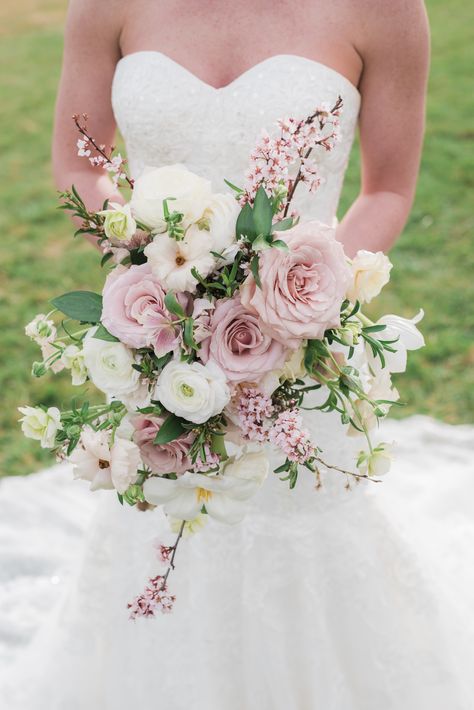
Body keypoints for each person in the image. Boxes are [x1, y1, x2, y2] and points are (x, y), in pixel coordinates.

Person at [1, 1, 474, 708]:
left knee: (299, 515)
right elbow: (78, 159)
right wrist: (149, 258)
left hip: (298, 348)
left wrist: (293, 296)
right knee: (163, 512)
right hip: (163, 335)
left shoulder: (385, 10)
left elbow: (388, 187)